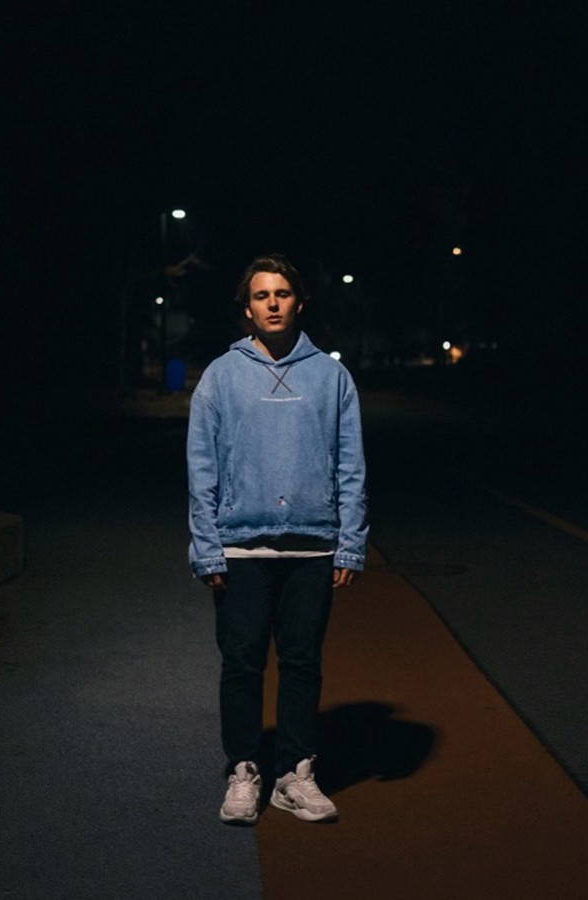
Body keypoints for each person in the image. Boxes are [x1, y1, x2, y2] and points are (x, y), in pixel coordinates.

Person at [187, 253, 368, 825]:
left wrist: (351, 540)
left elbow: (351, 464)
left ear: (298, 302)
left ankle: (295, 773)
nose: (272, 303)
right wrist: (207, 545)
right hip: (240, 546)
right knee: (241, 662)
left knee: (301, 662)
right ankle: (244, 770)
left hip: (313, 545)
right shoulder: (221, 374)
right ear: (247, 308)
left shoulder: (331, 376)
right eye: (261, 295)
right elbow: (202, 466)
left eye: (282, 293)